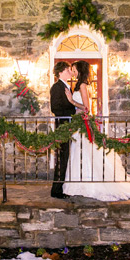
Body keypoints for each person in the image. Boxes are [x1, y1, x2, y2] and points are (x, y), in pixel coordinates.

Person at [63, 60, 130, 201]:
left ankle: (88, 183)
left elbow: (86, 108)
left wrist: (71, 101)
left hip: (83, 124)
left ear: (80, 71)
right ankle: (80, 182)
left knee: (84, 152)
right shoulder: (80, 85)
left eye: (75, 69)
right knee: (82, 153)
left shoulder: (82, 85)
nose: (73, 71)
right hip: (78, 124)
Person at [49, 61, 79, 199]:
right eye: (68, 70)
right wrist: (72, 110)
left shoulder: (68, 86)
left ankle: (63, 186)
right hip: (63, 126)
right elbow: (55, 108)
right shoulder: (57, 87)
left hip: (69, 126)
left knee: (66, 157)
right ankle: (56, 190)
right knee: (62, 157)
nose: (70, 72)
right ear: (60, 72)